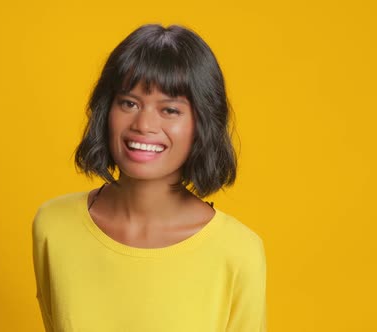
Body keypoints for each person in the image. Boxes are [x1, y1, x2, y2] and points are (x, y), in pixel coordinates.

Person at [32, 24, 267, 332]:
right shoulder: (53, 226)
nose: (143, 124)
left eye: (169, 110)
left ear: (203, 124)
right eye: (129, 103)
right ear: (107, 110)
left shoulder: (238, 251)